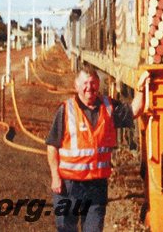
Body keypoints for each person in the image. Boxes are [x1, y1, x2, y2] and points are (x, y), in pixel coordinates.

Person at [45, 64, 149, 232]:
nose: (89, 88)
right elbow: (52, 146)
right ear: (76, 86)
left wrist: (140, 87)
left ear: (98, 85)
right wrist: (55, 176)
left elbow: (134, 110)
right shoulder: (65, 110)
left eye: (93, 83)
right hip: (68, 185)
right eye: (85, 83)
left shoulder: (108, 107)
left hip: (96, 186)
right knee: (65, 228)